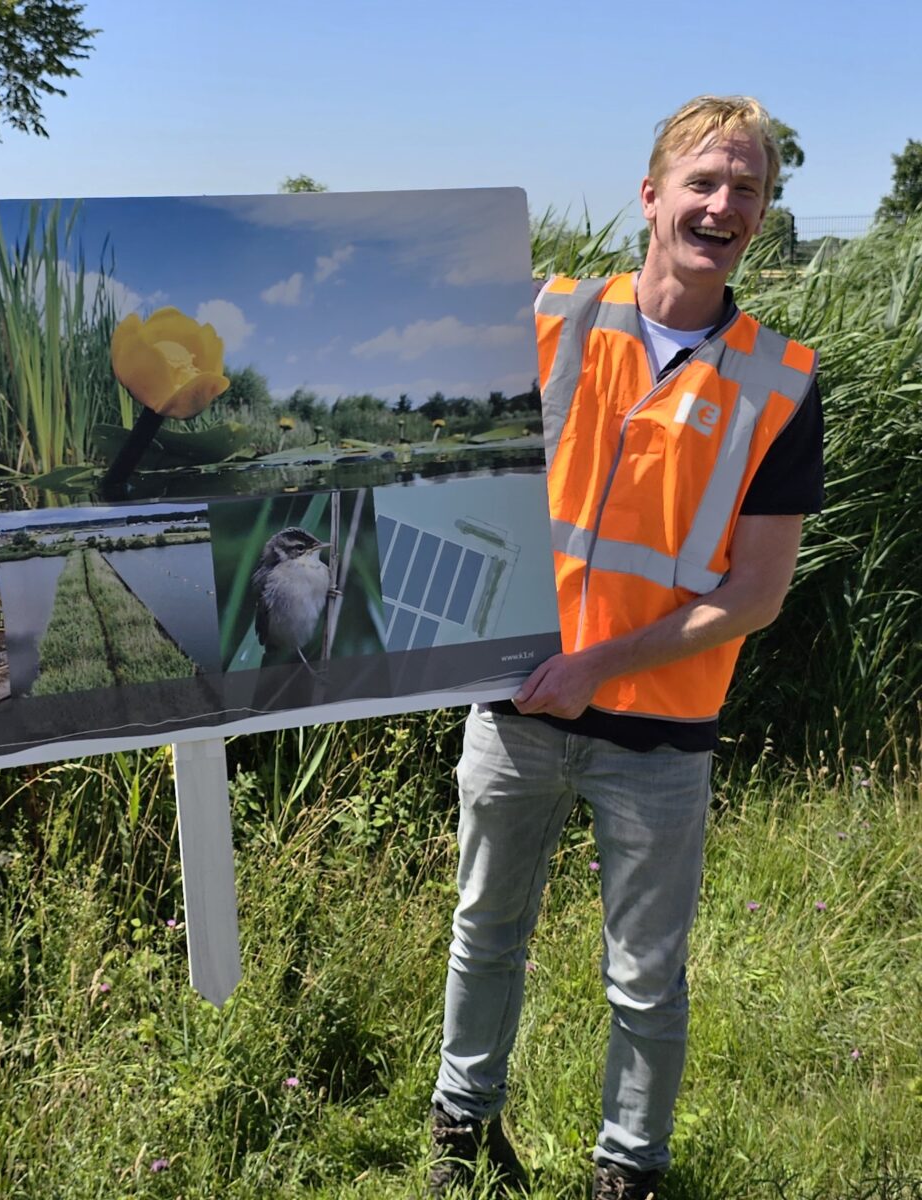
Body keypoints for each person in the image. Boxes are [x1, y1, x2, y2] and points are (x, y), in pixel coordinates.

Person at [428, 95, 824, 1199]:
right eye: (703, 182)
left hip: (660, 734)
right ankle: (459, 1140)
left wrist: (598, 667)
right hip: (509, 703)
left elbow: (757, 593)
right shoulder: (548, 314)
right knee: (483, 934)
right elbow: (420, 442)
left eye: (747, 189)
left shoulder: (781, 378)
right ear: (650, 196)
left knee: (645, 980)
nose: (723, 205)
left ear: (763, 214)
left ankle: (629, 1172)